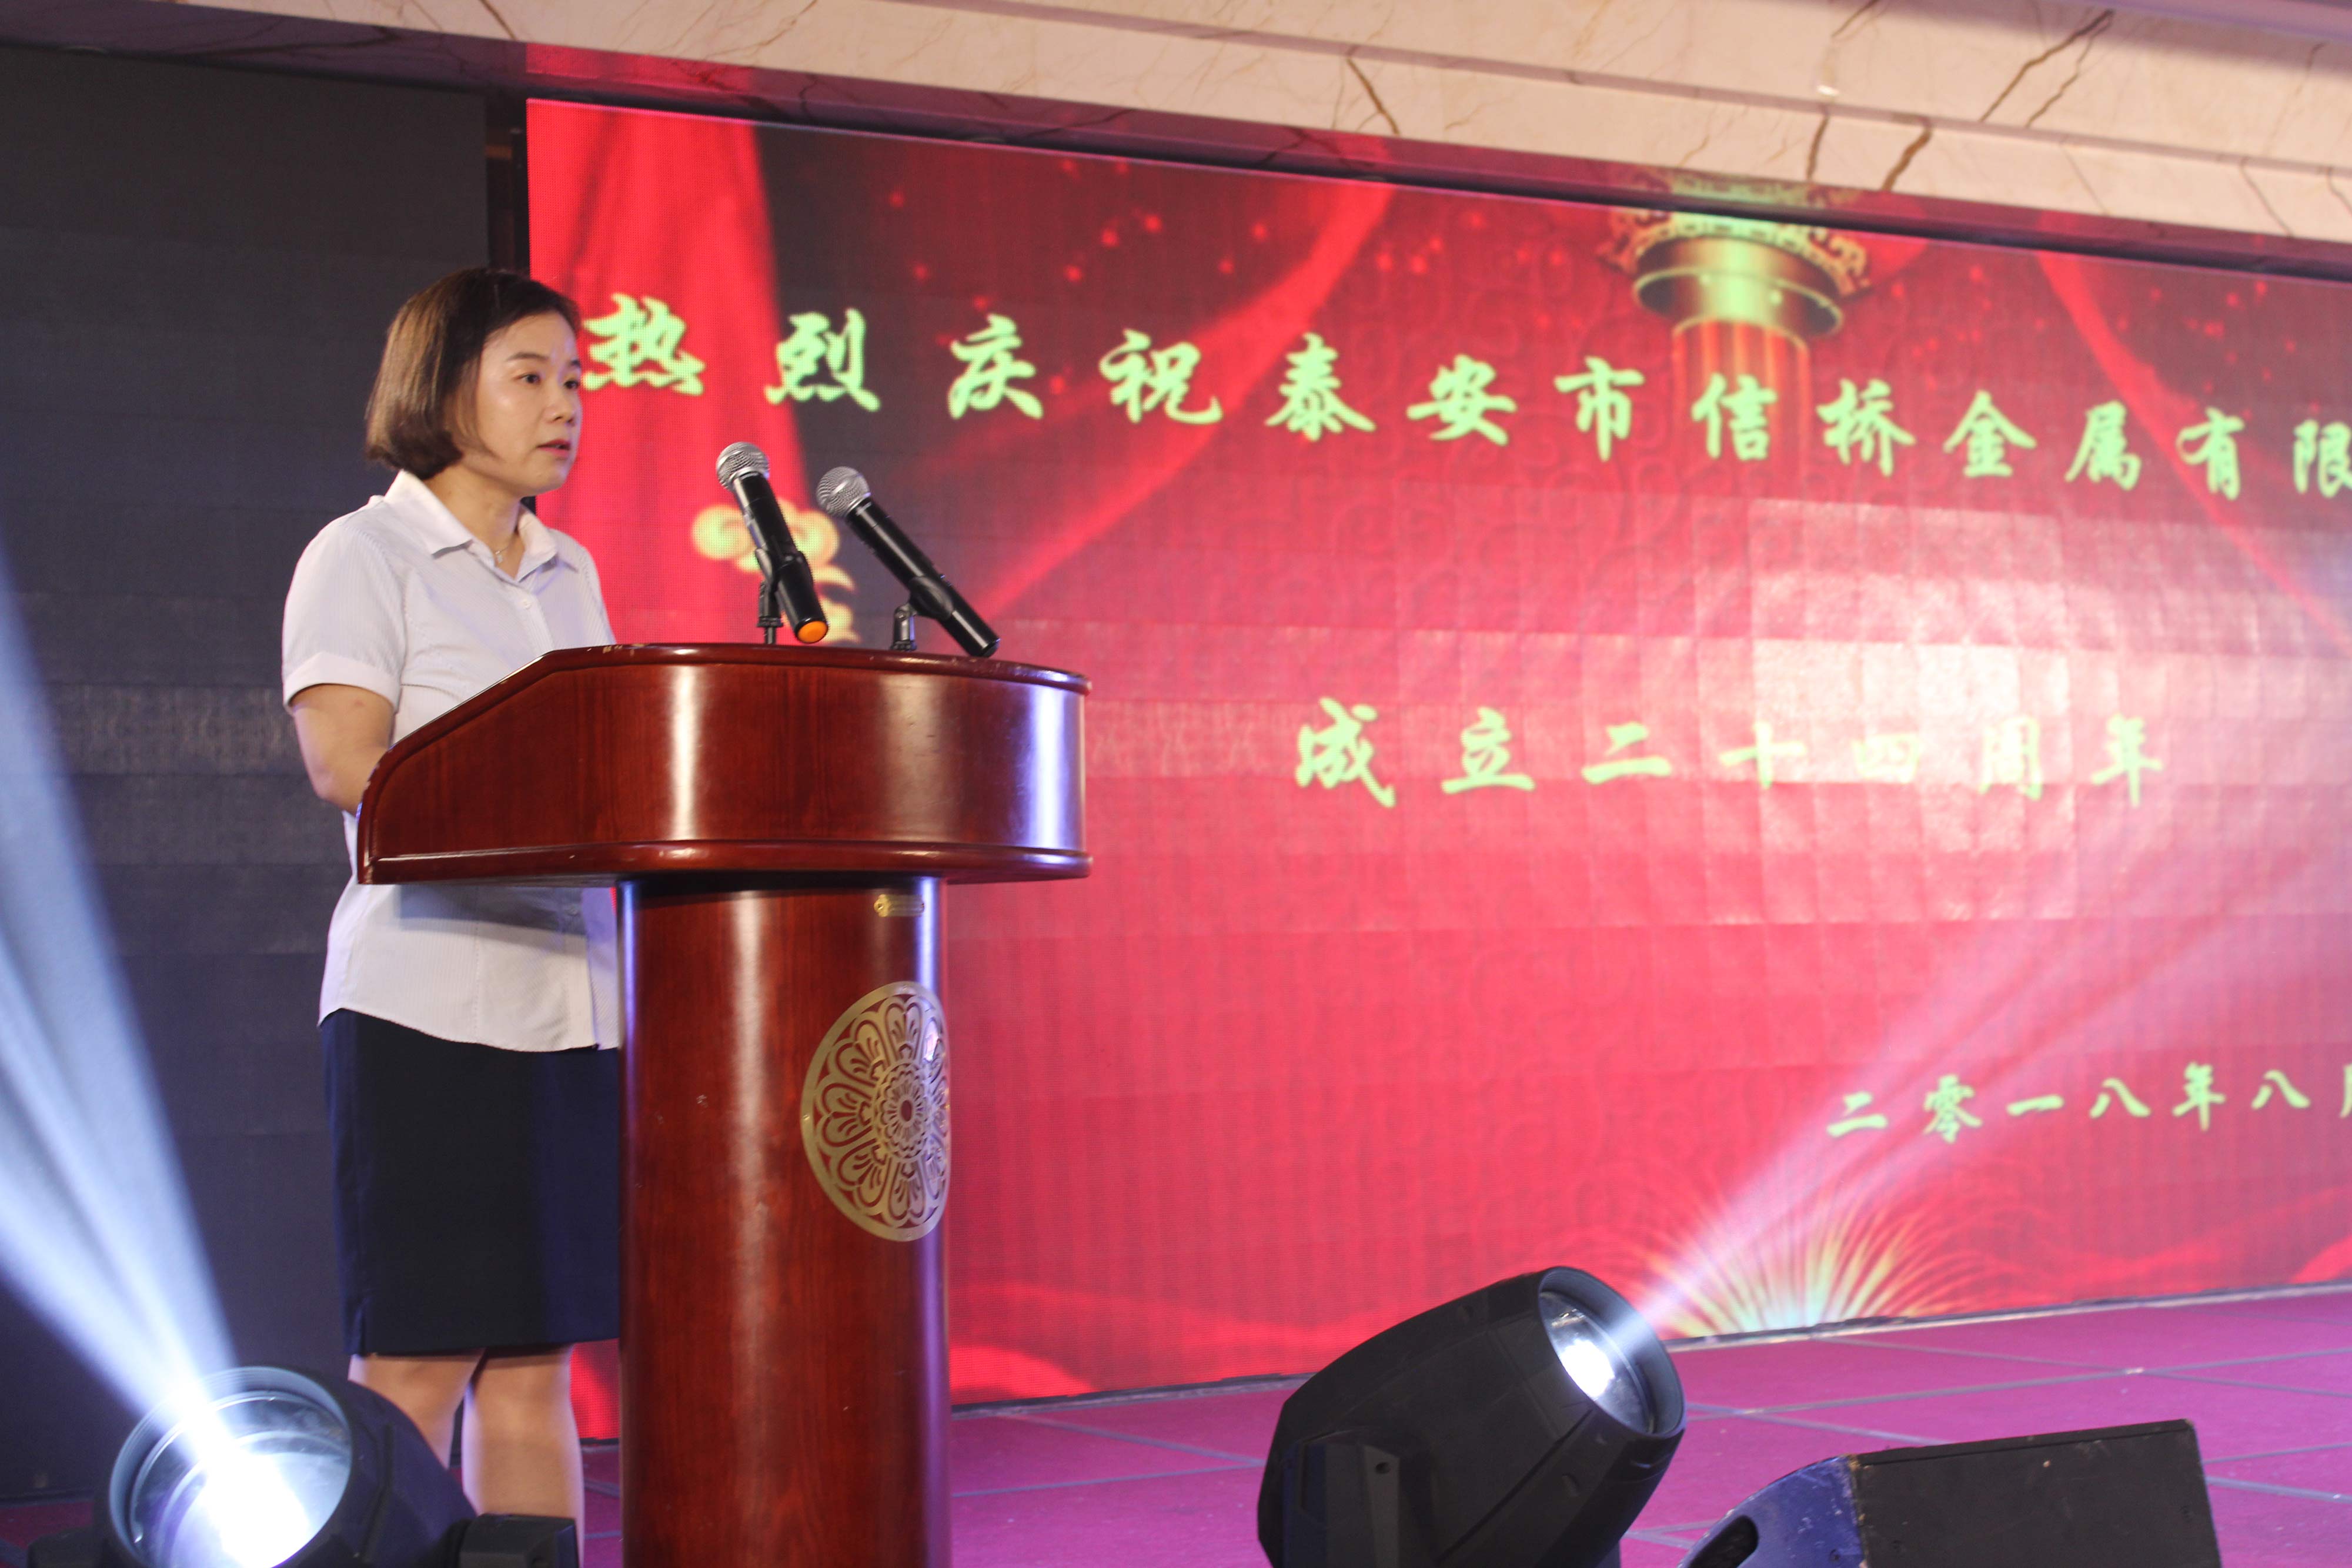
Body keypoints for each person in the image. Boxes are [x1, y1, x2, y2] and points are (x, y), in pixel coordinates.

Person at [280, 268, 617, 1528]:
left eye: (572, 378)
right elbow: (347, 764)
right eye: (529, 375)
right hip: (424, 1013)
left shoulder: (571, 570)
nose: (563, 404)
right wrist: (543, 822)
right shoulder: (363, 553)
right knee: (417, 1368)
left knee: (533, 1371)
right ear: (441, 388)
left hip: (569, 1009)